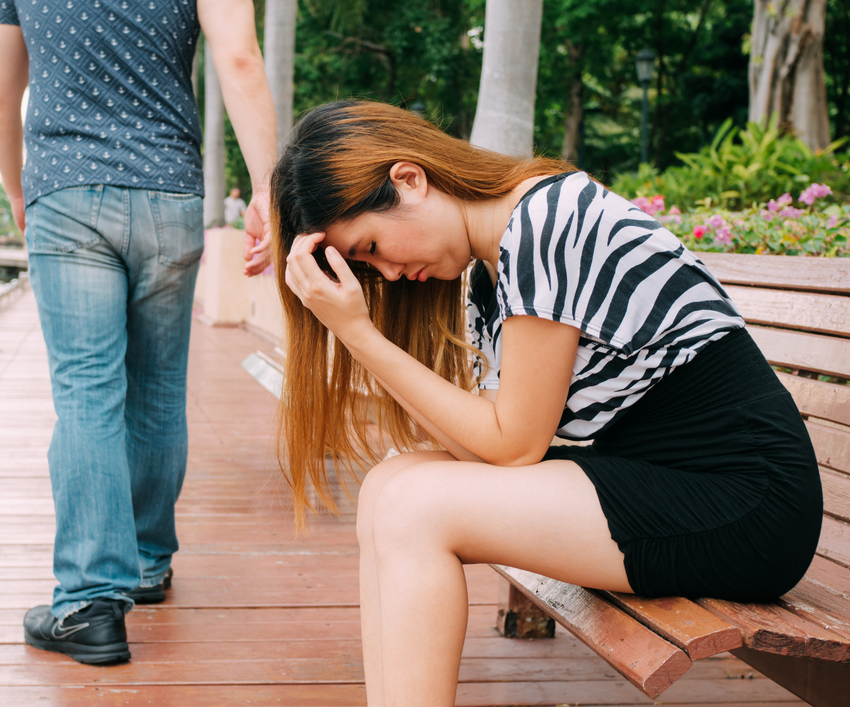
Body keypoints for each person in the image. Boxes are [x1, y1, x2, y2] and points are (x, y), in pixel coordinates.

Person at [272, 100, 823, 706]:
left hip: (745, 500)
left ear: (408, 178)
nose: (391, 273)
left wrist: (357, 333)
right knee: (390, 483)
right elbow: (486, 443)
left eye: (372, 245)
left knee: (412, 506)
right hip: (667, 482)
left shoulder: (543, 222)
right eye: (368, 266)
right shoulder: (493, 267)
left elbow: (512, 446)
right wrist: (359, 334)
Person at [0, 0, 275, 665]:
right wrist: (269, 187)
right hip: (169, 191)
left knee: (88, 394)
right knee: (157, 389)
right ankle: (145, 563)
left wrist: (20, 189)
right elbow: (237, 55)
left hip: (66, 189)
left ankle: (88, 602)